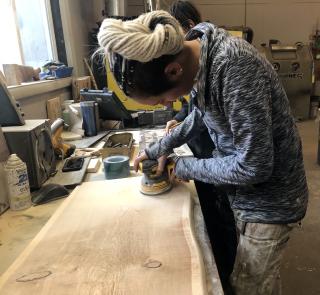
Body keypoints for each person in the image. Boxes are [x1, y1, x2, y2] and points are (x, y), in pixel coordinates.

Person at [97, 10, 308, 295]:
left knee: (248, 286)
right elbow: (201, 113)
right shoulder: (202, 53)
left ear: (173, 70)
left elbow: (253, 166)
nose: (165, 105)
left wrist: (181, 166)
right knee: (261, 278)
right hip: (245, 193)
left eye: (161, 98)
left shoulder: (235, 67)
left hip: (270, 200)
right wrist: (160, 147)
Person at [166, 1, 237, 291]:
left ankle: (228, 271)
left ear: (190, 25)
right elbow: (196, 110)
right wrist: (166, 138)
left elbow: (252, 164)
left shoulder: (227, 63)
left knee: (224, 224)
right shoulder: (199, 65)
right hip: (211, 159)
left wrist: (184, 165)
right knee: (212, 218)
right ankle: (224, 267)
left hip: (221, 161)